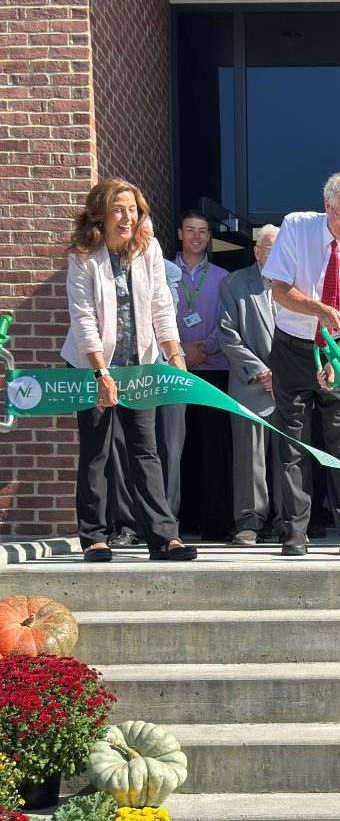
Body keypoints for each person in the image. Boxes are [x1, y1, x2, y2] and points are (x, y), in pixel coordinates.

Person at [60, 177, 197, 562]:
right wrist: (100, 373)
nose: (127, 217)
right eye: (119, 209)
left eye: (133, 210)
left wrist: (174, 356)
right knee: (97, 451)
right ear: (100, 214)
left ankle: (164, 537)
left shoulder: (148, 249)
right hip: (92, 365)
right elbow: (83, 317)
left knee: (146, 451)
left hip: (139, 367)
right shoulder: (83, 255)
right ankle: (95, 538)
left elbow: (160, 307)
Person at [262, 170, 340, 557]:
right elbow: (279, 290)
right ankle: (295, 531)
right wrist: (316, 308)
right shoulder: (296, 228)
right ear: (327, 205)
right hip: (293, 348)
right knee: (293, 444)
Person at [108, 217, 184, 547]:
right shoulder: (105, 263)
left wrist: (175, 359)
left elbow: (165, 313)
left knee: (165, 447)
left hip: (159, 367)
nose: (143, 238)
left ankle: (164, 523)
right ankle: (127, 524)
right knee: (120, 446)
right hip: (120, 369)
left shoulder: (168, 270)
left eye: (149, 234)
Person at [173, 210, 233, 540]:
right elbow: (156, 318)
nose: (196, 236)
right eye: (191, 230)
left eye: (203, 231)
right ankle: (178, 520)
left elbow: (226, 324)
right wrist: (181, 351)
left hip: (215, 370)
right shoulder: (164, 273)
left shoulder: (223, 277)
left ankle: (216, 522)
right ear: (180, 234)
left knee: (214, 448)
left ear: (209, 237)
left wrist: (204, 348)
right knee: (177, 447)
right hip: (173, 371)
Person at [219, 226, 280, 546]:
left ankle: (289, 520)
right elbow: (228, 336)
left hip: (288, 386)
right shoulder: (234, 283)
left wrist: (282, 374)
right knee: (250, 458)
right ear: (257, 251)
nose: (276, 254)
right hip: (250, 386)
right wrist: (260, 371)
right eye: (270, 248)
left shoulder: (297, 283)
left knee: (290, 457)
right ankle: (250, 522)